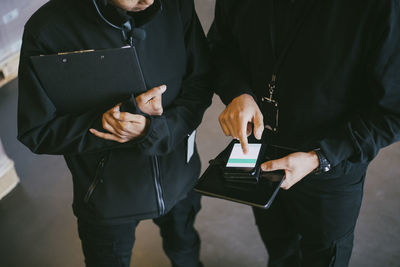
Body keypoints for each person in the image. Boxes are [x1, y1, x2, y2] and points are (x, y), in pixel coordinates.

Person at [17, 0, 212, 266]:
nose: (148, 0)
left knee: (186, 249)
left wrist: (160, 131)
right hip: (106, 198)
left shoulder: (176, 5)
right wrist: (104, 124)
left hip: (180, 177)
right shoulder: (47, 30)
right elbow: (36, 131)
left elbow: (199, 83)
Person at [209, 0, 400, 266]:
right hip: (261, 152)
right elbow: (221, 46)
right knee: (279, 246)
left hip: (331, 166)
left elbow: (392, 111)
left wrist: (319, 157)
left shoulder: (381, 7)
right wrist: (237, 92)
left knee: (324, 255)